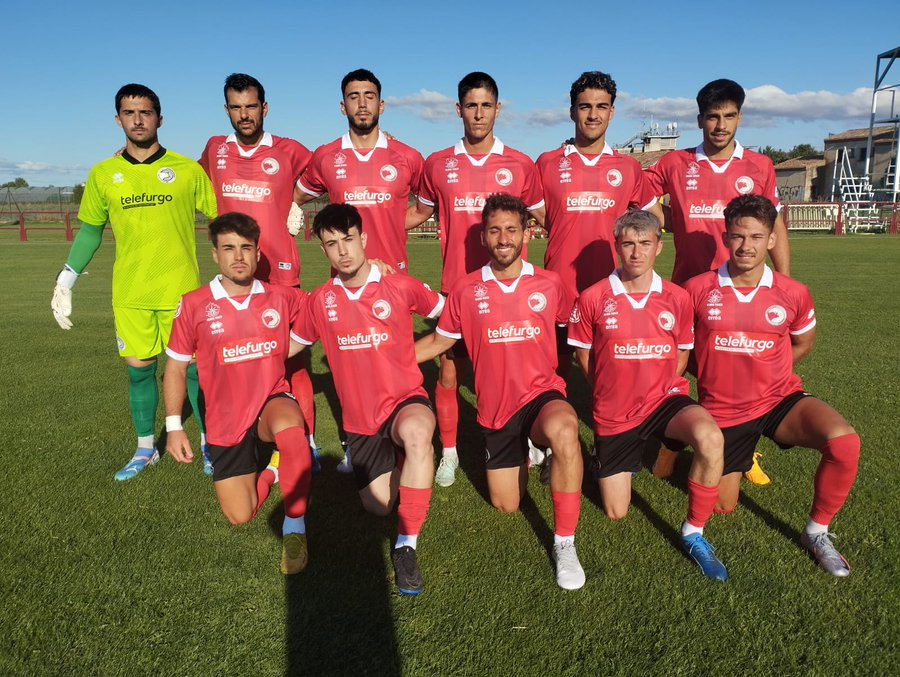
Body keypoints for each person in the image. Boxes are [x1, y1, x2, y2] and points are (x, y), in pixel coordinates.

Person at [415, 194, 585, 590]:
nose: (504, 238)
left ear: (527, 233)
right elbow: (440, 342)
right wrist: (385, 360)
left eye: (511, 229)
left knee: (564, 429)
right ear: (483, 237)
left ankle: (565, 542)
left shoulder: (550, 283)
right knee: (507, 505)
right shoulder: (465, 289)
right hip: (496, 411)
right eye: (494, 230)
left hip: (541, 396)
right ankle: (529, 449)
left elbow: (577, 334)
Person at [684, 195, 859, 577]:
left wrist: (764, 370)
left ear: (771, 240)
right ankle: (734, 456)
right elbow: (682, 350)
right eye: (738, 236)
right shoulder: (697, 289)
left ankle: (816, 533)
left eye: (756, 237)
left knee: (844, 442)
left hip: (779, 399)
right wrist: (712, 372)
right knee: (724, 506)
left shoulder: (793, 292)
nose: (746, 246)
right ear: (725, 237)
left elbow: (803, 342)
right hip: (725, 409)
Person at [50, 83, 217, 481]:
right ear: (118, 119)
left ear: (160, 118)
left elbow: (222, 218)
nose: (138, 120)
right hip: (131, 292)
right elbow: (90, 231)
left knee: (195, 372)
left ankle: (210, 444)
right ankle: (145, 449)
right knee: (139, 371)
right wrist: (66, 280)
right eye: (129, 113)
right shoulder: (103, 174)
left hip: (182, 293)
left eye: (145, 112)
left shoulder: (187, 170)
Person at [644, 78, 791, 485]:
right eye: (712, 117)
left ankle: (741, 450)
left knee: (741, 374)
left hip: (744, 292)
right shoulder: (675, 164)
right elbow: (640, 196)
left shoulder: (759, 166)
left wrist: (783, 281)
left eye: (729, 116)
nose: (721, 125)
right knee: (681, 371)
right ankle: (671, 441)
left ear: (740, 117)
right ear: (699, 120)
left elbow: (774, 224)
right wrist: (669, 220)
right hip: (689, 289)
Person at [291, 203, 442, 596]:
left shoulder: (400, 285)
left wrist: (417, 352)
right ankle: (402, 459)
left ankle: (406, 546)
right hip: (361, 423)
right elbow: (291, 345)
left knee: (417, 435)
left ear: (364, 239)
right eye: (332, 244)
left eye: (349, 239)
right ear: (323, 250)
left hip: (405, 400)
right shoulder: (319, 301)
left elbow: (449, 316)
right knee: (378, 506)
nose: (343, 250)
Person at [567, 210, 727, 580]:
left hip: (663, 400)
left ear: (658, 247)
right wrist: (607, 389)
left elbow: (682, 351)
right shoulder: (593, 297)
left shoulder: (677, 297)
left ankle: (694, 533)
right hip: (616, 409)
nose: (636, 252)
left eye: (644, 243)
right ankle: (603, 455)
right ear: (617, 247)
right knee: (616, 511)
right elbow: (584, 355)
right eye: (628, 244)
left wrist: (663, 384)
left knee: (710, 437)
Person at [409, 72, 545, 488]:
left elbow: (547, 217)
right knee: (448, 374)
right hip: (456, 290)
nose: (479, 114)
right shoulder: (437, 164)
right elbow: (416, 213)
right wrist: (364, 231)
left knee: (517, 373)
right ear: (459, 109)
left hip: (510, 291)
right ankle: (449, 453)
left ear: (498, 109)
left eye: (487, 105)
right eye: (471, 105)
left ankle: (529, 440)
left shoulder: (520, 164)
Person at [163, 212, 313, 574]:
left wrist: (374, 270)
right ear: (215, 254)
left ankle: (295, 529)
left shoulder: (281, 297)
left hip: (270, 402)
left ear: (258, 254)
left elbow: (328, 303)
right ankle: (273, 469)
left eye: (246, 248)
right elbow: (176, 367)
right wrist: (173, 427)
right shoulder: (194, 304)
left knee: (292, 432)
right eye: (229, 248)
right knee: (240, 515)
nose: (239, 256)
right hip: (225, 419)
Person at [294, 68, 426, 473]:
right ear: (342, 106)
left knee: (395, 366)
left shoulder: (407, 156)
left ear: (381, 104)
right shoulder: (325, 157)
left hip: (393, 280)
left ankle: (402, 440)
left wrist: (391, 229)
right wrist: (291, 212)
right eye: (354, 96)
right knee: (351, 367)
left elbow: (425, 206)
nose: (362, 103)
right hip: (345, 282)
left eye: (369, 96)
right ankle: (356, 443)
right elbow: (298, 194)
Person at [199, 73, 321, 474]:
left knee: (294, 362)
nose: (244, 114)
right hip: (234, 277)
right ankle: (231, 438)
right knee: (233, 359)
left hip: (280, 273)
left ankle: (307, 441)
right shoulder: (215, 149)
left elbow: (328, 173)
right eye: (236, 107)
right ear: (226, 111)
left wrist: (298, 200)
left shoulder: (289, 150)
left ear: (264, 108)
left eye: (251, 106)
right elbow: (186, 179)